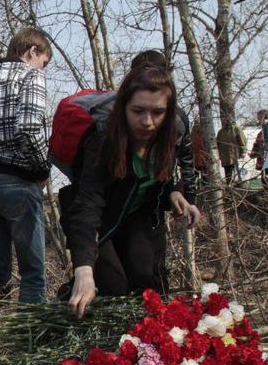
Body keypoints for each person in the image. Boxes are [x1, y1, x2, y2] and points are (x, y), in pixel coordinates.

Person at [66, 65, 201, 319]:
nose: (147, 122)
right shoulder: (103, 139)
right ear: (123, 108)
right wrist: (83, 269)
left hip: (137, 219)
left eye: (157, 112)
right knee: (113, 286)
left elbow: (158, 177)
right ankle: (73, 310)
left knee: (146, 283)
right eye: (138, 111)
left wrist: (175, 193)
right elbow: (87, 203)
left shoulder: (169, 136)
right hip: (99, 223)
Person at [0, 28, 51, 304]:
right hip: (18, 182)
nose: (43, 68)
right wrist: (42, 168)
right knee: (33, 273)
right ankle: (32, 332)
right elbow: (29, 128)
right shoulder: (31, 75)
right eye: (44, 62)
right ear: (32, 51)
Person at [254, 109, 268, 187]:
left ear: (263, 116)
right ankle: (266, 186)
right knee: (264, 169)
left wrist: (266, 148)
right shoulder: (264, 125)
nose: (257, 118)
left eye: (259, 116)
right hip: (265, 151)